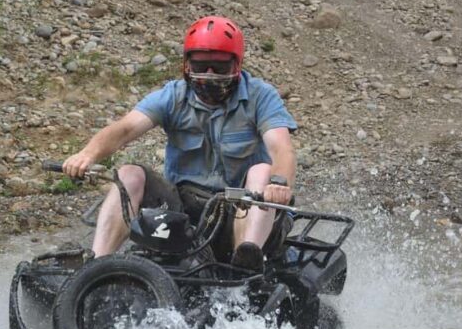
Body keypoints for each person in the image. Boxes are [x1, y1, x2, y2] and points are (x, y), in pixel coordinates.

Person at [62, 16, 297, 272]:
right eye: (201, 65)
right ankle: (95, 268)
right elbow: (125, 128)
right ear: (186, 64)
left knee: (262, 170)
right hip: (182, 211)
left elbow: (281, 148)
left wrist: (279, 183)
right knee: (128, 173)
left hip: (240, 209)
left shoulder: (260, 96)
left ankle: (245, 265)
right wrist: (88, 154)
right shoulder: (172, 96)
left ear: (236, 65)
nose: (209, 75)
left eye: (219, 67)